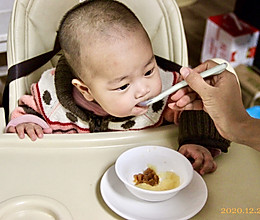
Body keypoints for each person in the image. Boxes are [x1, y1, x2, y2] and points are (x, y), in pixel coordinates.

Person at [5, 0, 230, 175]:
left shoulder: (168, 92)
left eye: (148, 71)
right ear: (86, 91)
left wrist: (197, 141)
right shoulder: (52, 98)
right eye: (123, 86)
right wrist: (27, 124)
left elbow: (196, 108)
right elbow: (29, 112)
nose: (144, 89)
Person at [169, 59, 260, 152]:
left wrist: (197, 141)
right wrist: (238, 124)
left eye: (152, 71)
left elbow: (196, 112)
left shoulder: (170, 84)